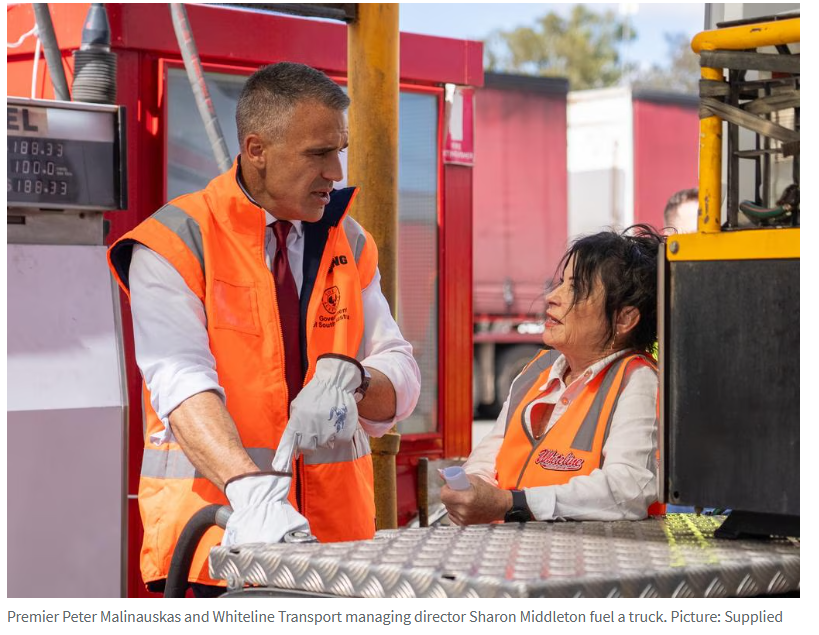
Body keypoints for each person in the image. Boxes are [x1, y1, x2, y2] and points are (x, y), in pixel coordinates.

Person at [108, 62, 421, 594]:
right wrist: (252, 495)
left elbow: (401, 375)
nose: (336, 172)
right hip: (221, 549)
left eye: (340, 151)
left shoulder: (349, 241)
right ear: (257, 150)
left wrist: (355, 381)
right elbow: (180, 382)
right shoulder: (174, 242)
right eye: (318, 154)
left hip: (335, 551)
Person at [442, 225, 663, 525]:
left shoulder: (638, 380)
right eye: (561, 283)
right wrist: (471, 489)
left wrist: (511, 504)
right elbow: (490, 455)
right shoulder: (536, 371)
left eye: (577, 289)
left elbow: (628, 490)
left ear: (624, 319)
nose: (552, 297)